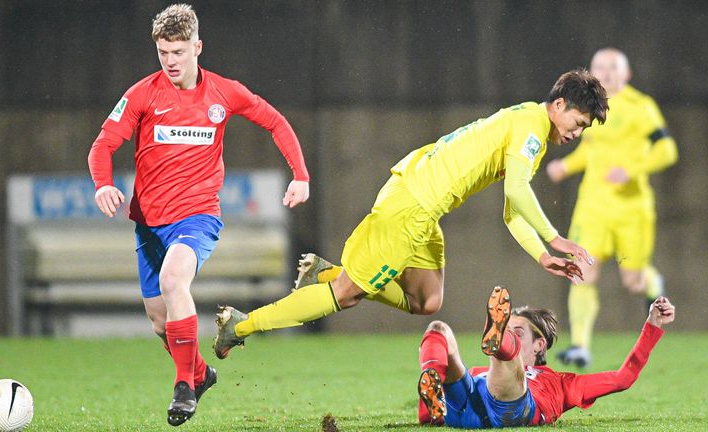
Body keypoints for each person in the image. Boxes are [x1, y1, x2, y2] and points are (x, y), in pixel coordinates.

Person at [213, 69, 609, 359]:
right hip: (413, 206)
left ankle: (325, 272)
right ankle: (241, 325)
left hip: (421, 206)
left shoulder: (530, 126)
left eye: (584, 129)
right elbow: (517, 190)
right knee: (347, 295)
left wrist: (543, 256)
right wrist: (556, 238)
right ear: (559, 105)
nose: (577, 133)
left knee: (427, 300)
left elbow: (513, 210)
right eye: (578, 123)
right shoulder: (532, 127)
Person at [87, 3, 310, 426]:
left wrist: (300, 174)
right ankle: (201, 375)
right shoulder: (142, 94)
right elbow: (102, 145)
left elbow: (276, 122)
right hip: (149, 223)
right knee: (158, 318)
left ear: (197, 47)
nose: (170, 62)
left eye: (178, 52)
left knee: (175, 281)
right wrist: (102, 184)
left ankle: (183, 390)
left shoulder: (224, 93)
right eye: (163, 53)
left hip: (197, 217)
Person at [546, 48, 678, 368]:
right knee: (582, 272)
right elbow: (591, 153)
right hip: (592, 206)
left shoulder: (641, 107)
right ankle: (579, 346)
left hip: (632, 209)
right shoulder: (591, 108)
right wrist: (565, 165)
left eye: (613, 67)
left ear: (626, 74)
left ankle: (650, 283)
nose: (605, 72)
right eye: (599, 67)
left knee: (631, 281)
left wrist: (631, 170)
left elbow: (667, 150)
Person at [416, 286, 674, 428]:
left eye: (516, 331)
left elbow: (622, 378)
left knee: (508, 362)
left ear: (540, 345)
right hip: (464, 408)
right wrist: (428, 413)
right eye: (506, 328)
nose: (512, 334)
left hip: (512, 409)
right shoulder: (477, 371)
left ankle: (500, 340)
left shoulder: (563, 382)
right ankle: (436, 384)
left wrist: (653, 324)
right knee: (439, 330)